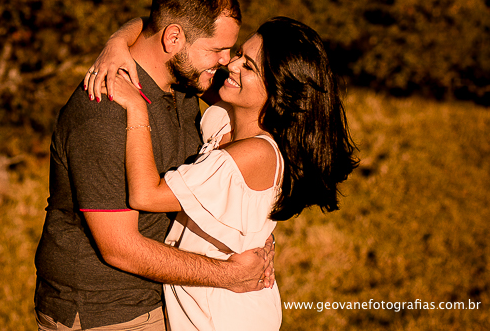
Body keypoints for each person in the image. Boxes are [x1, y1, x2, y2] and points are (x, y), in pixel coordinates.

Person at [34, 0, 275, 331]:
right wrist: (229, 275)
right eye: (216, 49)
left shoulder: (185, 81)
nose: (226, 61)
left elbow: (149, 23)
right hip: (110, 313)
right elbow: (119, 247)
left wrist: (118, 39)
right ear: (174, 38)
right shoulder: (105, 108)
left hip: (163, 300)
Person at [90, 16, 359, 330]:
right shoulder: (230, 116)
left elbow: (145, 195)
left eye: (249, 67)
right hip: (205, 305)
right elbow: (160, 23)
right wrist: (116, 43)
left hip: (225, 315)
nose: (232, 65)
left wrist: (136, 107)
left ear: (280, 94)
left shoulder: (254, 153)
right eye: (240, 54)